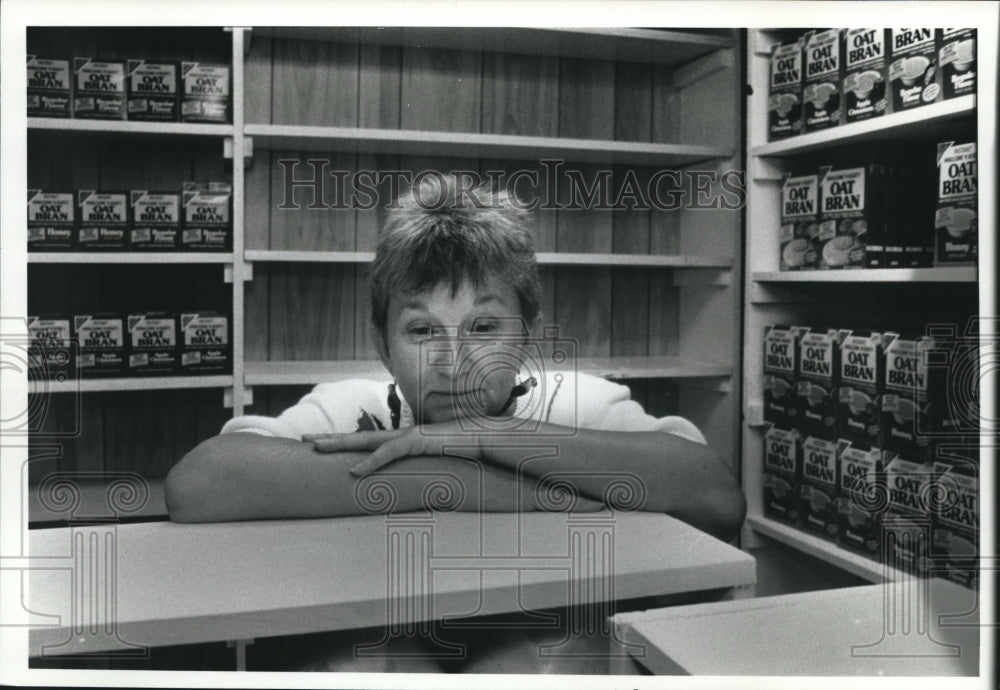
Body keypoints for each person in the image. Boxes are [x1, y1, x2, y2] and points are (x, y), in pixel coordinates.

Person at [165, 173, 746, 672]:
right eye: (422, 331)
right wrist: (466, 476)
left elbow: (718, 496)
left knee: (547, 659)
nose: (454, 360)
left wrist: (490, 434)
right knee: (362, 660)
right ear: (383, 345)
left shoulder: (577, 405)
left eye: (485, 329)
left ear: (527, 336)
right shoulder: (352, 408)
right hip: (402, 645)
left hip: (535, 643)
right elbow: (199, 484)